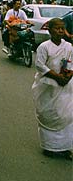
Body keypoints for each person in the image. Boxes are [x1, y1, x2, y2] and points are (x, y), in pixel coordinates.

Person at [32, 18, 73, 161]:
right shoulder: (44, 46)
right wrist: (56, 77)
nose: (60, 31)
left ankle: (65, 147)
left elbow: (71, 63)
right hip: (48, 85)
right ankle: (50, 147)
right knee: (49, 113)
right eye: (57, 28)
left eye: (62, 28)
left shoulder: (68, 46)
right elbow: (40, 65)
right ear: (50, 30)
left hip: (65, 85)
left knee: (66, 114)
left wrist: (66, 77)